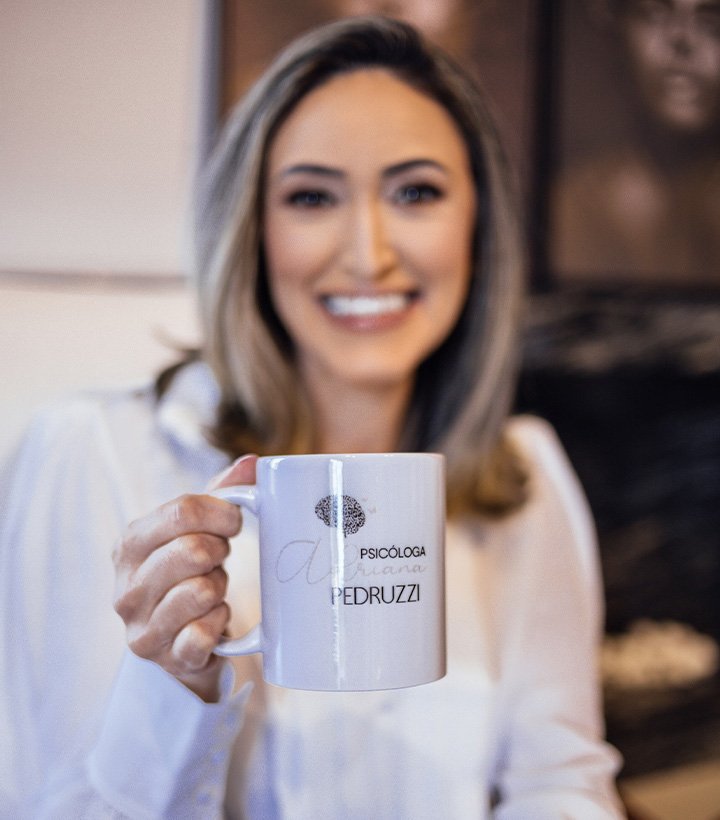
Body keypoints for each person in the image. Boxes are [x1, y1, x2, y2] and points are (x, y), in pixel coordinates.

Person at [0, 16, 624, 818]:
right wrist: (176, 688)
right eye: (311, 196)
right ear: (254, 230)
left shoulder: (523, 477)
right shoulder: (94, 451)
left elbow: (560, 784)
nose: (368, 253)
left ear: (479, 223)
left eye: (416, 192)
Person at [551, 0, 720, 285]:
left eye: (712, 23)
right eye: (655, 14)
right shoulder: (573, 209)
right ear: (615, 28)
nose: (682, 39)